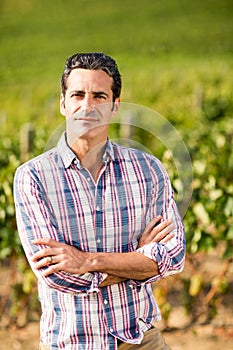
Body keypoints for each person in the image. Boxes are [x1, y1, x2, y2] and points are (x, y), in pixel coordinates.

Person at [14, 52, 185, 350]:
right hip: (71, 343)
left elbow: (172, 256)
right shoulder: (33, 177)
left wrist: (87, 261)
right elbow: (60, 277)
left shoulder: (148, 170)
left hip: (141, 338)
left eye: (99, 96)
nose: (87, 106)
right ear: (63, 103)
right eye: (78, 94)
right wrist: (138, 258)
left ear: (115, 105)